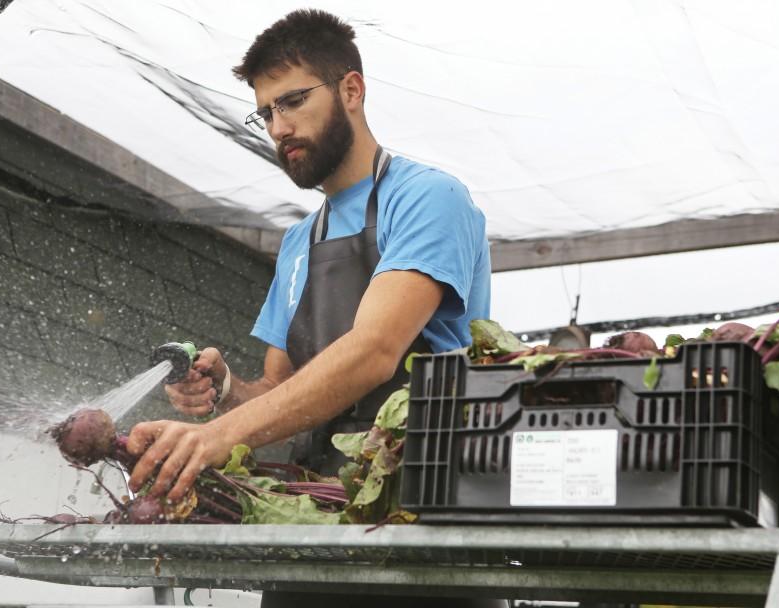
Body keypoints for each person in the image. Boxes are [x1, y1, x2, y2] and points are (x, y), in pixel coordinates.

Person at [126, 10, 499, 606]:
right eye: (266, 111)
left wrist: (219, 435)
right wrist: (226, 391)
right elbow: (281, 390)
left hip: (421, 528)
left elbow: (376, 351)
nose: (279, 126)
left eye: (293, 101)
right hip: (314, 526)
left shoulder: (427, 198)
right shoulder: (301, 241)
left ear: (351, 89)